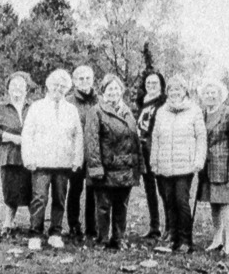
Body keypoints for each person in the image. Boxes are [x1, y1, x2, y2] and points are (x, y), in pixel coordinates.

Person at [19, 68, 84, 250]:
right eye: (56, 85)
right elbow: (27, 134)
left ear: (68, 88)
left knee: (59, 199)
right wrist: (28, 158)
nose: (59, 88)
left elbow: (77, 136)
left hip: (63, 163)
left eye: (63, 86)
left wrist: (77, 159)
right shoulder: (37, 107)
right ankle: (35, 233)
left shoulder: (71, 110)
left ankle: (55, 233)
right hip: (40, 162)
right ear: (48, 85)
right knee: (39, 198)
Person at [148, 72, 206, 253]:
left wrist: (199, 160)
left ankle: (185, 240)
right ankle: (172, 238)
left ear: (184, 91)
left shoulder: (194, 110)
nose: (174, 92)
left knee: (182, 201)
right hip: (165, 164)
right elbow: (156, 137)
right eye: (171, 89)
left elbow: (201, 137)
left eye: (178, 89)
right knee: (169, 201)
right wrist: (154, 161)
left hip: (185, 166)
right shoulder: (161, 111)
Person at [93, 74, 143, 249]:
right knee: (104, 206)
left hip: (126, 168)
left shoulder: (128, 112)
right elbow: (91, 142)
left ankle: (119, 238)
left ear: (121, 91)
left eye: (116, 88)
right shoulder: (97, 111)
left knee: (121, 204)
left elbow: (134, 141)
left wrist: (139, 166)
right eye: (109, 89)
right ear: (103, 92)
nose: (113, 92)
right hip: (107, 168)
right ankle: (103, 239)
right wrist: (96, 167)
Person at [198, 77, 229, 256]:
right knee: (214, 205)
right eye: (207, 93)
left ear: (220, 95)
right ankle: (217, 239)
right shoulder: (202, 114)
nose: (210, 96)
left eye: (213, 93)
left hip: (224, 168)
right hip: (207, 168)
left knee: (226, 205)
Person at [0, 71, 34, 234]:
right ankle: (9, 221)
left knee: (30, 188)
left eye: (21, 85)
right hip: (8, 154)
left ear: (26, 89)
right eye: (13, 85)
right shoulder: (1, 107)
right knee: (10, 188)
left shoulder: (33, 107)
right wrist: (11, 138)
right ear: (8, 88)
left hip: (29, 155)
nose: (17, 88)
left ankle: (34, 222)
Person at [70, 64, 105, 242]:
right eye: (81, 78)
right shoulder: (69, 101)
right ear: (74, 81)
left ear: (93, 80)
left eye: (88, 78)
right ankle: (74, 225)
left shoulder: (100, 101)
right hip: (75, 152)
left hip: (94, 153)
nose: (84, 82)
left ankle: (92, 227)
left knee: (93, 190)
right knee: (75, 190)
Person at [135, 70, 168, 239]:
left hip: (158, 151)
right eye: (148, 83)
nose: (151, 86)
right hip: (143, 152)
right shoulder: (143, 103)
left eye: (155, 83)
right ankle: (154, 226)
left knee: (164, 190)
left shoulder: (164, 104)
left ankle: (170, 226)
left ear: (161, 85)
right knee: (149, 190)